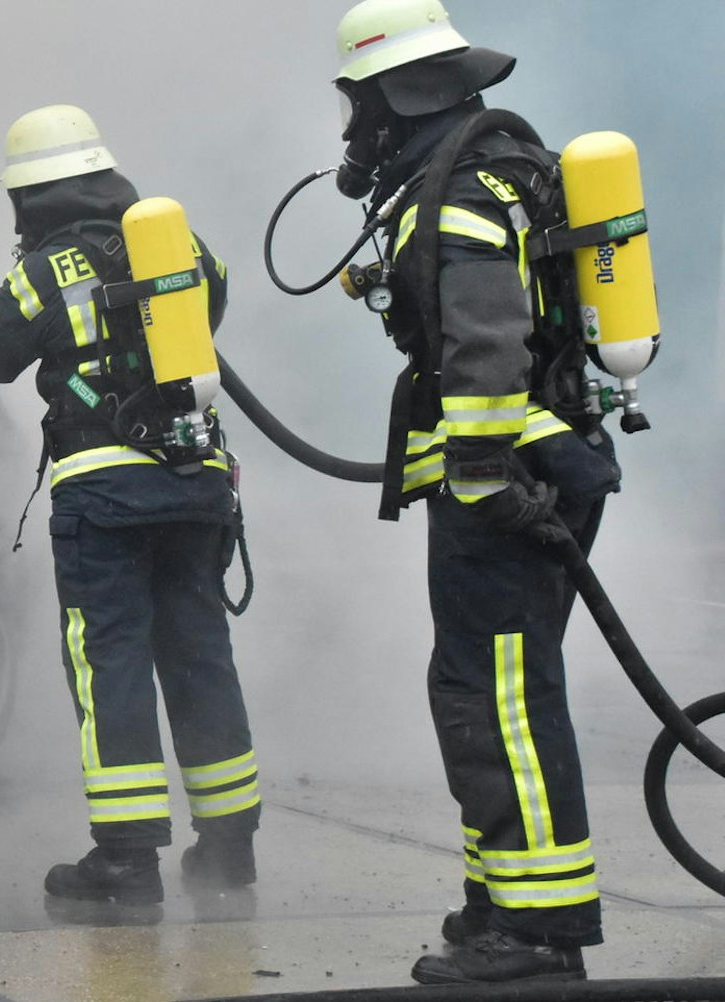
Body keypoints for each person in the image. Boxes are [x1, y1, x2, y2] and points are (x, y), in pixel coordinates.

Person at [327, 0, 623, 983]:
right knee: (480, 686)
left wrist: (485, 473)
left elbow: (484, 346)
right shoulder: (503, 171)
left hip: (504, 476)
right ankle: (499, 898)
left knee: (497, 695)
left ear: (387, 98)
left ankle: (536, 937)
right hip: (545, 465)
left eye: (355, 105)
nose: (347, 132)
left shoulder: (452, 193)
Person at [0, 104, 261, 910]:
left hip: (104, 495)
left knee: (111, 664)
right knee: (199, 655)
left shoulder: (44, 268)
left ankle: (127, 862)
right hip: (195, 484)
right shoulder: (180, 243)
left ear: (33, 195)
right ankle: (230, 848)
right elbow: (214, 306)